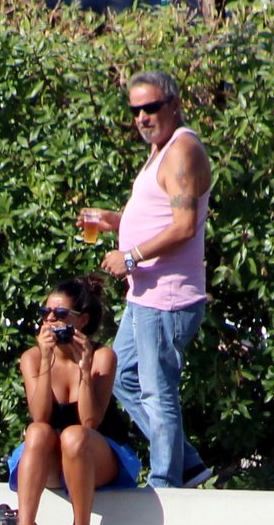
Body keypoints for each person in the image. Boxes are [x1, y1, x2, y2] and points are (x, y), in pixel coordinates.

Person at [84, 70, 212, 489]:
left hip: (167, 298)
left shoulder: (181, 150)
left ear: (174, 105)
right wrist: (116, 221)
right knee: (120, 376)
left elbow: (184, 225)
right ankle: (186, 463)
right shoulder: (162, 150)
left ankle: (166, 481)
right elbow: (158, 215)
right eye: (135, 110)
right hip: (145, 296)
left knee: (158, 391)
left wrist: (131, 257)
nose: (142, 118)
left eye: (151, 108)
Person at [6, 276, 140, 525]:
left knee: (74, 435)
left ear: (82, 320)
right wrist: (46, 361)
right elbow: (41, 415)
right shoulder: (31, 358)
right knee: (36, 431)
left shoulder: (102, 356)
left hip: (97, 454)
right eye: (45, 313)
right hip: (53, 458)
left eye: (60, 314)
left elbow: (90, 421)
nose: (50, 320)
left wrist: (84, 370)